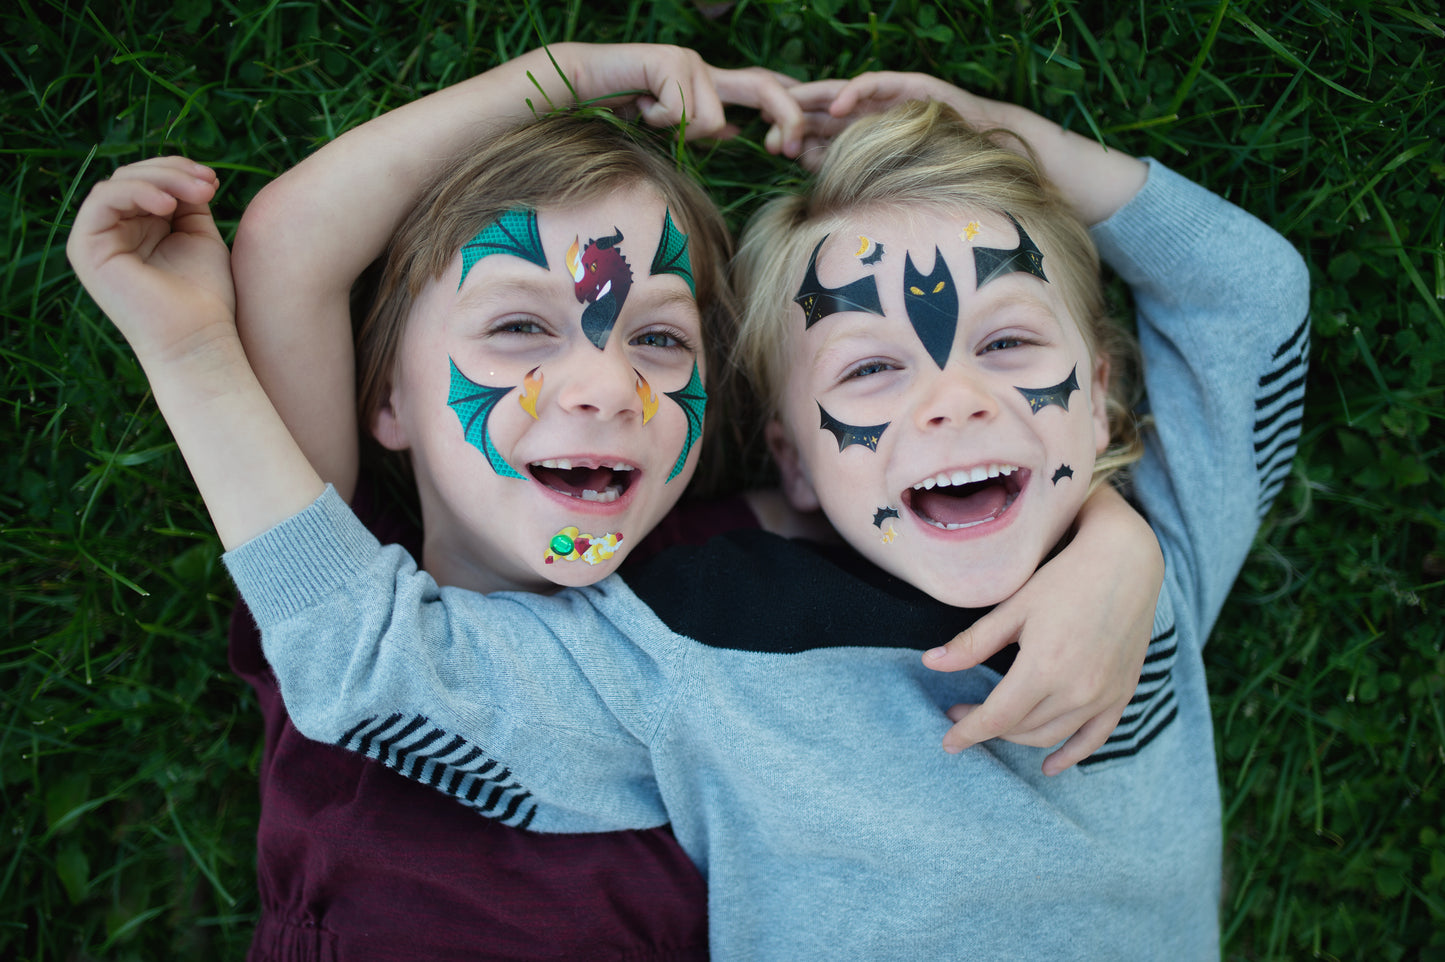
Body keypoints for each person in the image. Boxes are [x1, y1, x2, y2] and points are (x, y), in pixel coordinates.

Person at [65, 53, 1183, 959]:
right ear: (388, 400)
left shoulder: (728, 583)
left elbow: (938, 489)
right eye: (517, 328)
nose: (606, 384)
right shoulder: (330, 551)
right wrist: (582, 70)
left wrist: (1112, 539)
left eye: (656, 336)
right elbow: (289, 241)